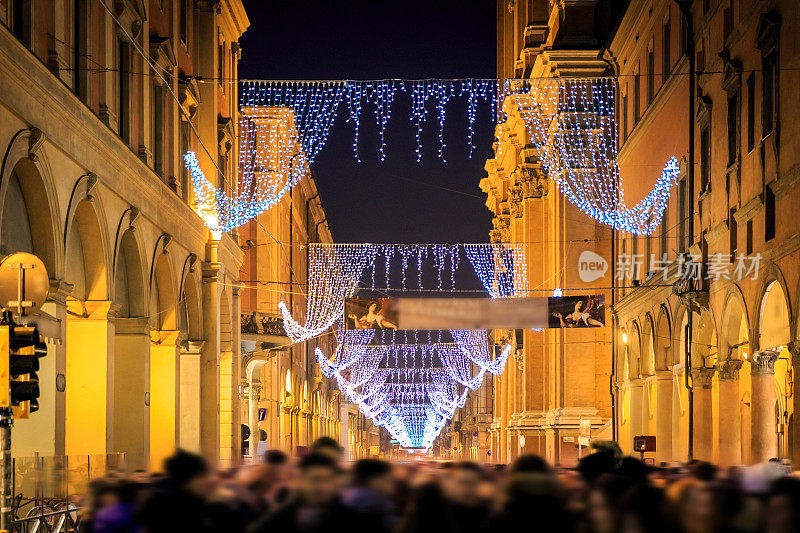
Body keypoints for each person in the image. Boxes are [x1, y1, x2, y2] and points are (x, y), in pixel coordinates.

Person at [248, 453, 360, 533]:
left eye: (326, 480)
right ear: (300, 481)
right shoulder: (280, 518)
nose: (320, 486)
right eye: (313, 480)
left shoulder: (352, 521)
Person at [137, 450, 215, 533]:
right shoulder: (171, 507)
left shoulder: (191, 500)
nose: (209, 480)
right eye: (203, 476)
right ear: (190, 478)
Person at [399, 461, 489, 533]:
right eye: (462, 482)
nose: (467, 489)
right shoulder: (436, 513)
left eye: (472, 483)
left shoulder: (487, 514)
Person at [342, 459, 398, 533]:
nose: (393, 488)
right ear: (375, 480)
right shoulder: (379, 507)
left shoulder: (343, 499)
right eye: (389, 481)